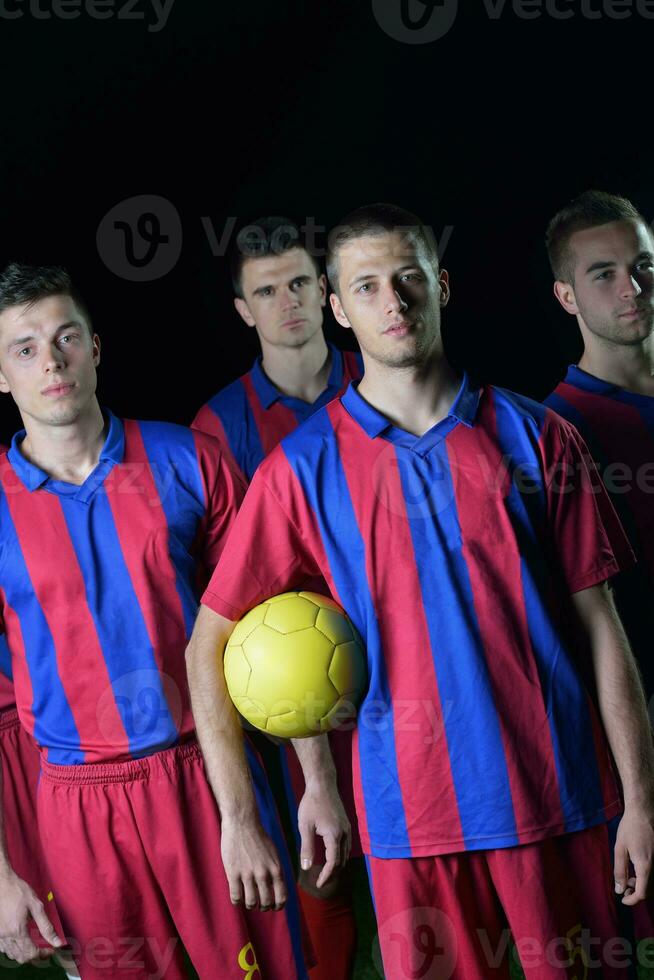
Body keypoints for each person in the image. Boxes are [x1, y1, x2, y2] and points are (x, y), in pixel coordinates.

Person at [186, 203, 654, 980]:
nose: (393, 303)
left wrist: (640, 800)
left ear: (443, 283)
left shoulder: (536, 435)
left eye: (408, 279)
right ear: (336, 308)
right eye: (366, 287)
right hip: (409, 824)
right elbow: (210, 644)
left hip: (559, 801)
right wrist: (246, 814)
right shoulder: (299, 472)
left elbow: (603, 631)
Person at [0, 263, 318, 979]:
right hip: (75, 803)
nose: (50, 362)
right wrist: (1, 875)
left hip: (205, 773)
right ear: (1, 374)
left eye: (66, 337)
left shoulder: (187, 460)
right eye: (24, 349)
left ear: (97, 347)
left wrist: (313, 789)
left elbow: (278, 628)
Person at [192, 216, 363, 980]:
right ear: (242, 309)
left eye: (299, 283)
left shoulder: (380, 378)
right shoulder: (220, 427)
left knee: (420, 850)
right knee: (322, 859)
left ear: (325, 291)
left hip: (404, 658)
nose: (287, 302)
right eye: (266, 290)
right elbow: (240, 604)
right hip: (300, 682)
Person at [544, 188, 654, 957]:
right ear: (566, 295)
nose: (633, 290)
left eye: (643, 266)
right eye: (606, 273)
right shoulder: (557, 429)